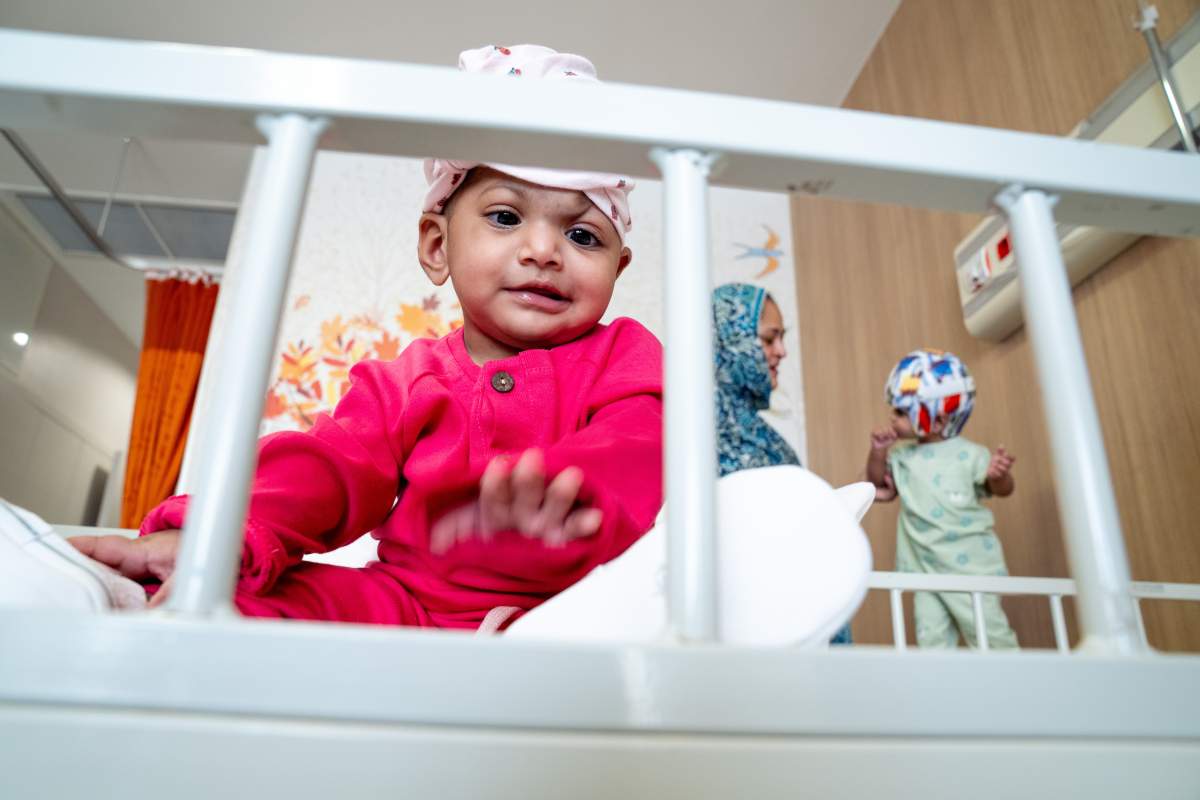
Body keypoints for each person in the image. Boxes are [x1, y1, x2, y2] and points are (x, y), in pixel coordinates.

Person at [63, 44, 664, 631]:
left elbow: (638, 445)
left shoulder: (625, 356)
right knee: (243, 599)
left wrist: (564, 496)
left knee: (653, 624)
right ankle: (172, 595)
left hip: (578, 606)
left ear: (618, 267)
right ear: (437, 245)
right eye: (506, 217)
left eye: (583, 236)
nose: (543, 251)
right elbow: (323, 469)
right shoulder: (403, 383)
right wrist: (212, 536)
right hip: (407, 604)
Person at [712, 282, 852, 645]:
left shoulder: (761, 434)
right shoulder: (689, 436)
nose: (782, 351)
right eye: (769, 339)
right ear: (731, 340)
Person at [865, 348, 1019, 649]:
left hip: (970, 571)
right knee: (932, 642)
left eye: (900, 412)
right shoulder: (903, 457)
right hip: (925, 572)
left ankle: (1013, 690)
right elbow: (874, 484)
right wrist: (878, 451)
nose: (891, 418)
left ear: (937, 420)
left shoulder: (970, 455)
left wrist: (999, 475)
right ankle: (939, 693)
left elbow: (1002, 489)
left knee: (990, 637)